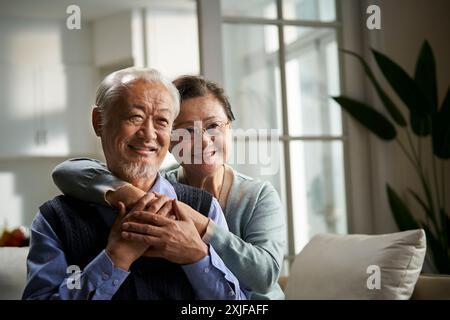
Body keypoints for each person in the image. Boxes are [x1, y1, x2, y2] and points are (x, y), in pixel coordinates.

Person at [52, 75, 285, 299]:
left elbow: (264, 277)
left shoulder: (257, 195)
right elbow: (67, 171)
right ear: (169, 137)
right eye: (188, 131)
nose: (203, 140)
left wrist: (201, 223)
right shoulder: (156, 188)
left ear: (230, 129)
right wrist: (128, 193)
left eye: (213, 125)